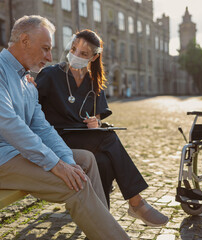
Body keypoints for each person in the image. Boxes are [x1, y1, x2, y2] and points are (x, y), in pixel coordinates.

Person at [0, 15, 130, 240]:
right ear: (25, 41)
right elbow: (10, 125)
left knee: (84, 161)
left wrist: (67, 161)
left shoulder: (27, 83)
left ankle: (99, 231)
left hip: (14, 155)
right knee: (75, 184)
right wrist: (56, 165)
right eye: (46, 49)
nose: (50, 57)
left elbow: (43, 128)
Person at [35, 29, 169, 227]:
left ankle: (100, 219)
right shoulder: (50, 75)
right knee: (108, 138)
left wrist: (95, 123)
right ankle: (136, 201)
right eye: (74, 49)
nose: (76, 56)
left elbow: (97, 116)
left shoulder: (94, 82)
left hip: (84, 138)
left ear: (94, 56)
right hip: (57, 137)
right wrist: (29, 84)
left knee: (103, 160)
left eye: (83, 54)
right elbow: (30, 105)